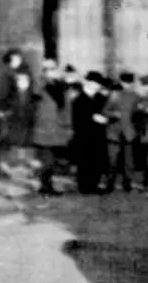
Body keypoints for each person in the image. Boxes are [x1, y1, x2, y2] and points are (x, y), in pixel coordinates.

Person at [30, 61, 74, 196]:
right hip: (45, 129)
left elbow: (67, 108)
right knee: (47, 160)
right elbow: (34, 99)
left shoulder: (61, 86)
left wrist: (68, 126)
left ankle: (47, 186)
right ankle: (45, 186)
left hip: (58, 128)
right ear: (44, 71)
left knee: (52, 160)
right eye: (48, 70)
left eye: (54, 69)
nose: (52, 72)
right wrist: (42, 80)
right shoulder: (41, 85)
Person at [71, 72, 111, 195]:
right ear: (87, 82)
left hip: (98, 135)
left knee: (96, 160)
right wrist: (94, 117)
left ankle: (93, 185)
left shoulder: (99, 97)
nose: (97, 85)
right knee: (85, 161)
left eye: (98, 83)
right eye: (94, 83)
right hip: (84, 136)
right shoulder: (79, 98)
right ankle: (84, 187)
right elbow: (80, 116)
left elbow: (106, 111)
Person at [103, 72, 142, 193]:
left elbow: (138, 115)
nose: (127, 85)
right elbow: (105, 111)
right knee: (113, 160)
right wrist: (114, 114)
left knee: (128, 161)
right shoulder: (115, 95)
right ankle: (110, 183)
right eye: (126, 83)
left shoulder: (136, 96)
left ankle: (127, 183)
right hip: (115, 131)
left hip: (129, 132)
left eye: (129, 83)